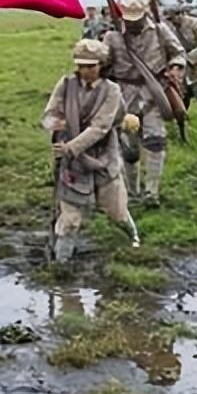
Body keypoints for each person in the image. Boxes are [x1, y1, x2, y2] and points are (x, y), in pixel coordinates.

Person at [43, 39, 139, 262]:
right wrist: (53, 124)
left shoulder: (111, 91)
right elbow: (49, 113)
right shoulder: (66, 85)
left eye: (91, 66)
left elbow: (101, 127)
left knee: (117, 211)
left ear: (101, 65)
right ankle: (61, 265)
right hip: (71, 163)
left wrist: (71, 147)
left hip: (103, 157)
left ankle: (133, 236)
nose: (85, 71)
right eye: (81, 65)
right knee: (69, 220)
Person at [102, 0, 186, 205]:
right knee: (129, 148)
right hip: (125, 96)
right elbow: (103, 64)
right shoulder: (113, 37)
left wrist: (176, 68)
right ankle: (131, 192)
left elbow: (178, 52)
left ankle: (152, 192)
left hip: (154, 93)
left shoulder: (160, 31)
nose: (132, 23)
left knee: (155, 141)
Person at [165, 6, 197, 115]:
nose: (172, 21)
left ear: (180, 14)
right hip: (181, 72)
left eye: (172, 18)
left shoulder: (195, 24)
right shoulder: (171, 29)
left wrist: (188, 58)